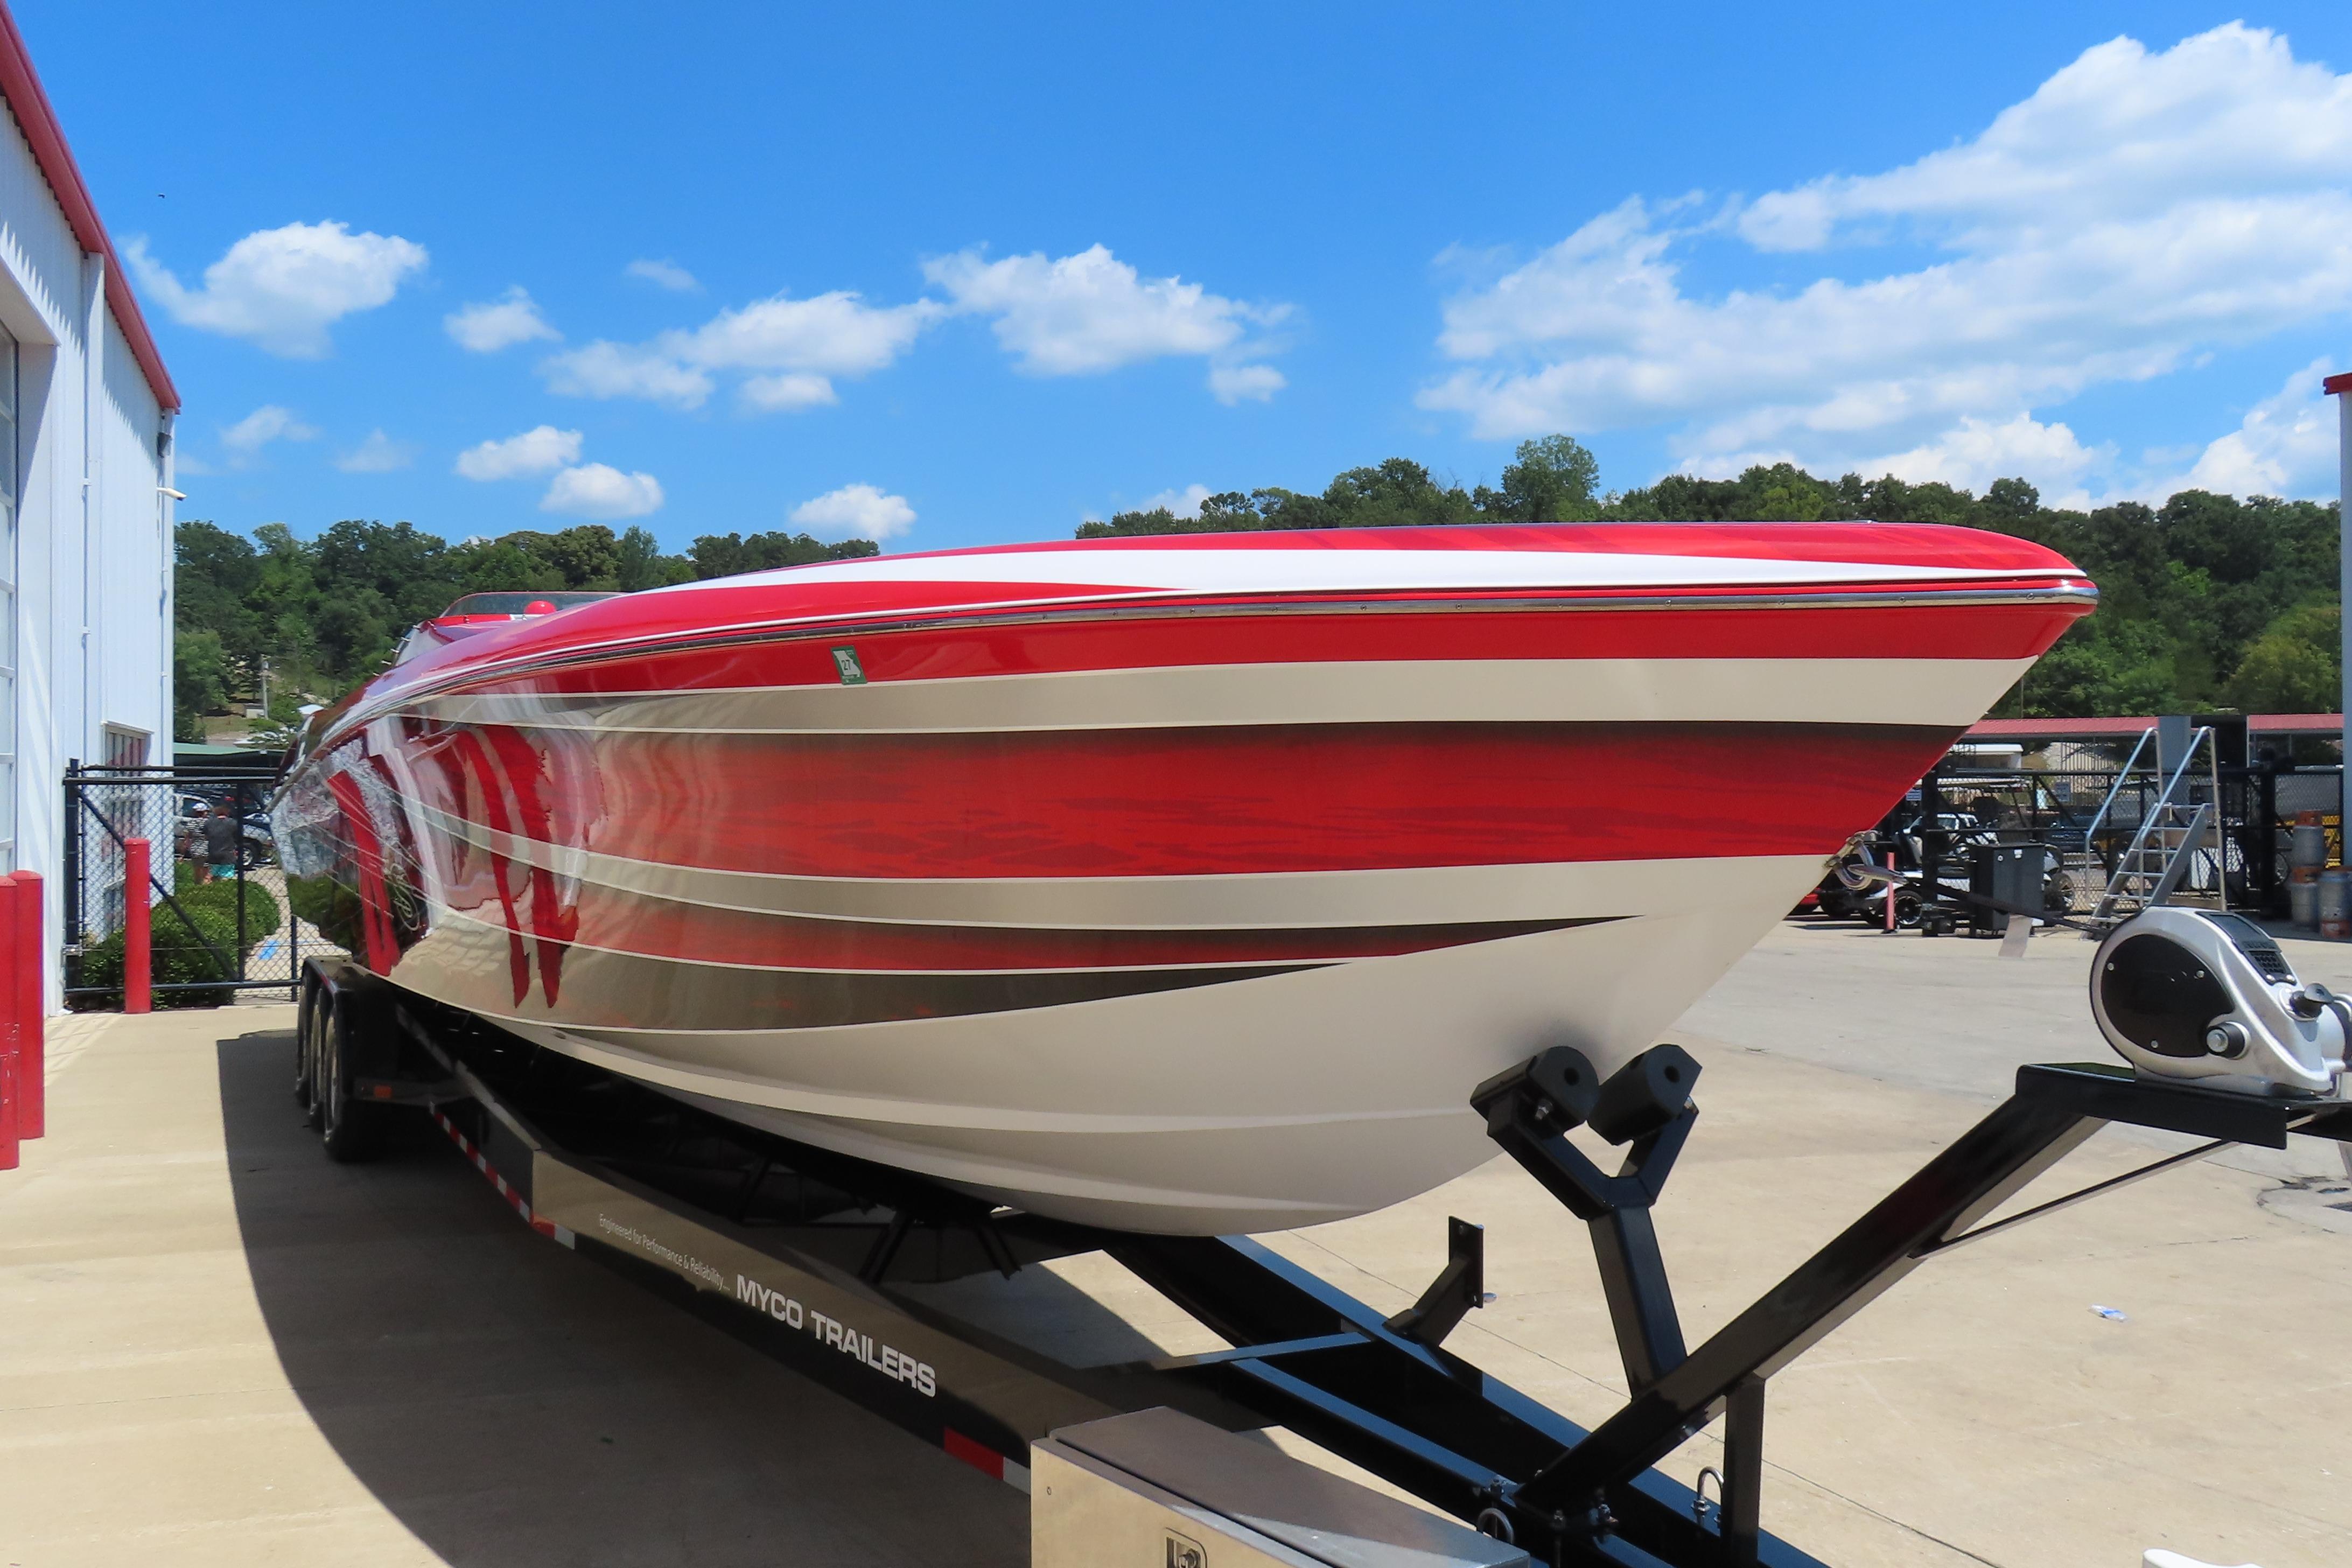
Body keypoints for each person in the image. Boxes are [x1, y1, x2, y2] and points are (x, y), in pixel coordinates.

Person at [201, 803, 242, 883]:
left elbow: (206, 836)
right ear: (227, 813)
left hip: (213, 852)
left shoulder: (209, 823)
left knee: (213, 875)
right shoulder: (233, 823)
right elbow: (238, 838)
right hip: (228, 853)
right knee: (226, 876)